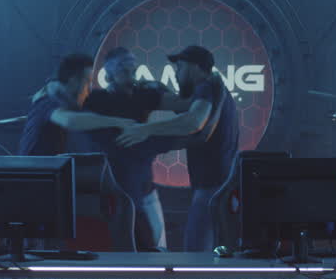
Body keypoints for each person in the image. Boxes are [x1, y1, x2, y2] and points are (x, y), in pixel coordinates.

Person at [116, 45, 238, 252]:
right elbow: (187, 109)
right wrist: (161, 89)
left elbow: (193, 122)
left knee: (195, 254)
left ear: (195, 67)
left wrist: (145, 130)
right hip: (217, 185)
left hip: (211, 186)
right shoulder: (213, 88)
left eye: (180, 67)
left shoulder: (206, 86)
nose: (176, 72)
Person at [83, 47, 187, 251]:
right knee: (124, 244)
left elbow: (182, 106)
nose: (129, 68)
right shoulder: (97, 99)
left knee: (156, 246)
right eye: (123, 65)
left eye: (132, 63)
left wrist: (161, 87)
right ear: (109, 72)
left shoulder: (144, 94)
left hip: (143, 183)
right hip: (115, 184)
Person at [18, 53, 133, 156]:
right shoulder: (48, 100)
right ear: (73, 80)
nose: (89, 89)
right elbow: (69, 120)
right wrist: (117, 122)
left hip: (48, 169)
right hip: (33, 171)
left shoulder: (66, 103)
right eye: (87, 81)